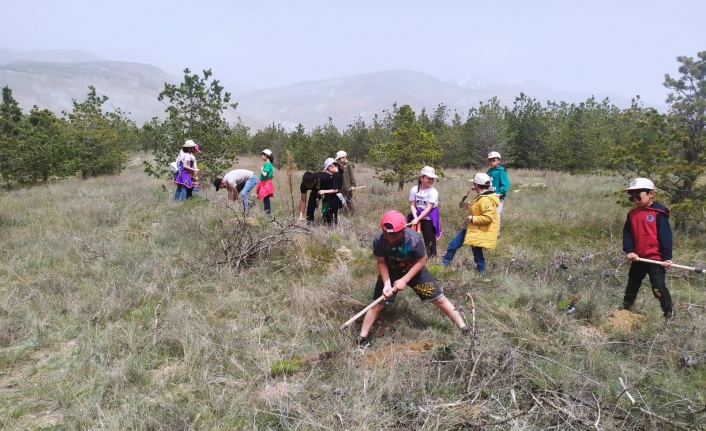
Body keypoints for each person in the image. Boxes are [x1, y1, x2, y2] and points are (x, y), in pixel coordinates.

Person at [356, 210, 469, 347]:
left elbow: (421, 261)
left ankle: (464, 329)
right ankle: (362, 338)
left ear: (403, 229)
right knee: (377, 304)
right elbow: (381, 262)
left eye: (395, 236)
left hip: (414, 270)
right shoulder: (379, 240)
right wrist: (386, 284)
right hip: (390, 272)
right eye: (388, 235)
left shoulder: (413, 239)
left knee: (439, 299)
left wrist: (405, 279)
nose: (390, 239)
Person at [621, 178, 673, 319]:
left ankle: (669, 314)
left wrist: (667, 258)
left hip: (655, 259)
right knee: (632, 285)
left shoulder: (658, 213)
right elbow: (627, 234)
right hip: (638, 258)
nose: (636, 200)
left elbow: (666, 237)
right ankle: (625, 310)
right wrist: (629, 250)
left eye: (639, 196)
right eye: (632, 198)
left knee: (658, 287)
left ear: (651, 194)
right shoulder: (632, 214)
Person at [440, 173, 499, 272]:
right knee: (469, 249)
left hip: (476, 229)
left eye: (474, 184)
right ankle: (481, 270)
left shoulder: (485, 200)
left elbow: (488, 218)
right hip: (472, 228)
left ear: (476, 185)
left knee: (457, 246)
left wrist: (473, 218)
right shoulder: (483, 195)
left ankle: (481, 270)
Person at [408, 166, 442, 257]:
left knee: (429, 240)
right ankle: (412, 256)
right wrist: (415, 218)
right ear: (421, 178)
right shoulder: (414, 189)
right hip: (416, 214)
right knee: (410, 237)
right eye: (428, 178)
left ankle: (432, 258)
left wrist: (418, 218)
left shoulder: (433, 192)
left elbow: (428, 208)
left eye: (432, 179)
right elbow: (412, 205)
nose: (431, 180)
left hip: (428, 217)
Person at [486, 151, 510, 230]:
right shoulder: (489, 171)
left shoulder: (501, 171)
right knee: (489, 212)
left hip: (498, 196)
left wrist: (500, 192)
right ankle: (490, 229)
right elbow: (486, 181)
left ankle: (496, 231)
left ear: (498, 161)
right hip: (490, 195)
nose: (491, 162)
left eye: (494, 160)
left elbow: (506, 183)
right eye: (490, 160)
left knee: (497, 213)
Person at [318, 158, 343, 225]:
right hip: (334, 198)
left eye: (328, 169)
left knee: (332, 216)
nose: (328, 171)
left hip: (334, 199)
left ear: (331, 166)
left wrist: (324, 191)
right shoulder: (338, 174)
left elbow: (335, 190)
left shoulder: (336, 175)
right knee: (329, 215)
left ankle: (332, 228)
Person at [336, 150, 357, 215]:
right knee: (342, 201)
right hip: (342, 187)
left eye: (340, 158)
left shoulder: (349, 165)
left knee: (349, 201)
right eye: (338, 159)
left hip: (348, 187)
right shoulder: (341, 165)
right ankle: (344, 213)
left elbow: (352, 175)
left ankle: (354, 214)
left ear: (344, 157)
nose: (339, 160)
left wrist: (353, 185)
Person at [256, 149, 275, 220]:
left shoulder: (267, 164)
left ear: (266, 156)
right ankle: (268, 215)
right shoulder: (270, 164)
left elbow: (265, 174)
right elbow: (273, 175)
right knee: (266, 200)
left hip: (265, 184)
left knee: (266, 200)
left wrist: (261, 169)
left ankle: (268, 216)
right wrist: (269, 180)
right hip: (267, 183)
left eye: (262, 155)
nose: (261, 157)